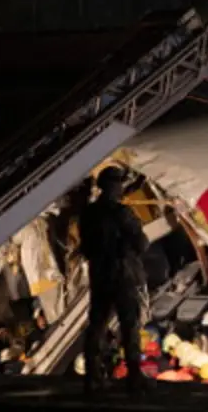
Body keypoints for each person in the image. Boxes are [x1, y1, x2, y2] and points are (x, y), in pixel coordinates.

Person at [79, 166, 149, 395]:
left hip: (99, 275)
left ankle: (92, 375)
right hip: (122, 274)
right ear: (114, 185)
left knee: (97, 325)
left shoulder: (88, 214)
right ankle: (134, 375)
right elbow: (141, 243)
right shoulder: (122, 213)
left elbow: (86, 247)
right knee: (129, 326)